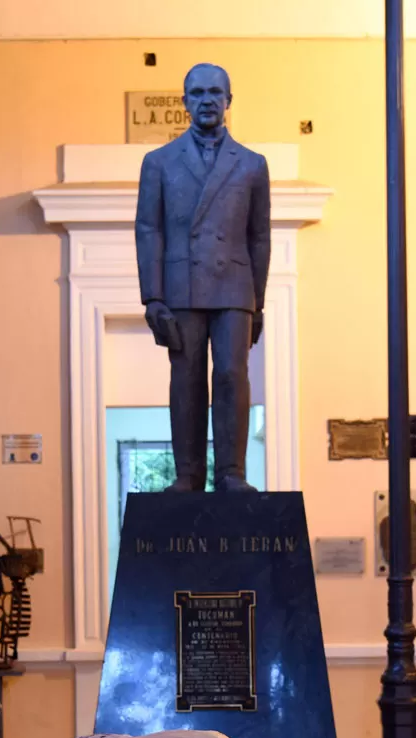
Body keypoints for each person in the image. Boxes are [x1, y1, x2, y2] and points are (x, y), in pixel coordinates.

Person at [134, 62, 271, 493]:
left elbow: (259, 235)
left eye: (215, 92)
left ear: (229, 101)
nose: (207, 100)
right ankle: (188, 475)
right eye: (197, 93)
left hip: (234, 287)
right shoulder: (158, 162)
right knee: (187, 378)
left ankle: (232, 472)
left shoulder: (252, 164)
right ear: (184, 102)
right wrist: (152, 297)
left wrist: (258, 301)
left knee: (231, 375)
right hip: (181, 287)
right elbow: (148, 229)